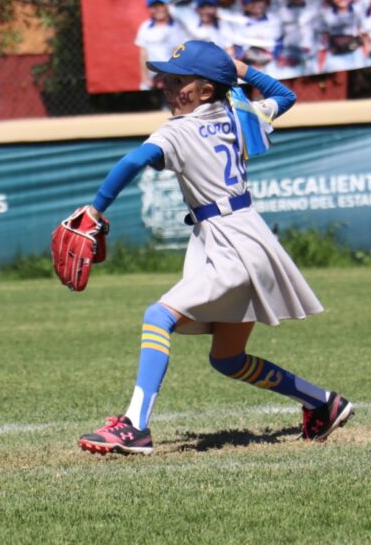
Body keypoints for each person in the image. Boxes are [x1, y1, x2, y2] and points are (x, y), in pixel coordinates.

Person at [76, 40, 355, 455]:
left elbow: (133, 161)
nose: (167, 86)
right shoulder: (238, 113)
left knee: (158, 316)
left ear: (205, 90)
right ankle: (322, 402)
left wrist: (96, 209)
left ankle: (134, 427)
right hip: (251, 238)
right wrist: (243, 69)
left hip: (227, 243)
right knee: (228, 358)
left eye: (177, 80)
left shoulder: (180, 129)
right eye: (165, 78)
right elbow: (286, 95)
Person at [135, 0, 187, 91]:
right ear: (149, 9)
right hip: (151, 79)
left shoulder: (178, 26)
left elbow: (180, 53)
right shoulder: (145, 27)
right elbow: (143, 54)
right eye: (154, 6)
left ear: (167, 6)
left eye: (160, 5)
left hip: (173, 78)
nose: (158, 9)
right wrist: (145, 78)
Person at [317, 0, 367, 72]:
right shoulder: (327, 14)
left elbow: (362, 32)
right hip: (336, 56)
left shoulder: (357, 10)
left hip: (354, 53)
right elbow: (324, 36)